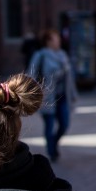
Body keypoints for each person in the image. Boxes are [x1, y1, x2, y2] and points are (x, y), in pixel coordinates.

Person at [27, 28, 77, 162]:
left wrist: (73, 94)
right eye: (56, 39)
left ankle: (53, 144)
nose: (58, 42)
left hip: (62, 96)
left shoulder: (63, 56)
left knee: (64, 124)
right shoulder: (41, 55)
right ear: (48, 41)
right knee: (49, 127)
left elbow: (69, 79)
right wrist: (35, 93)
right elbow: (31, 76)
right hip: (48, 97)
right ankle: (51, 151)